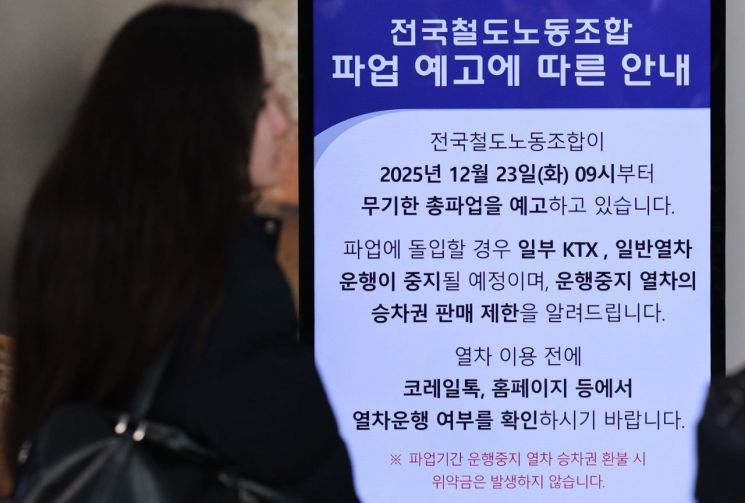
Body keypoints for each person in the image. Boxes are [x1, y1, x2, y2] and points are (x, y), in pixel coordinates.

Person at [4, 4, 358, 501]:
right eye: (262, 100)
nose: (283, 123)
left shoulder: (61, 231)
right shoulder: (228, 276)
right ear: (204, 117)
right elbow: (309, 473)